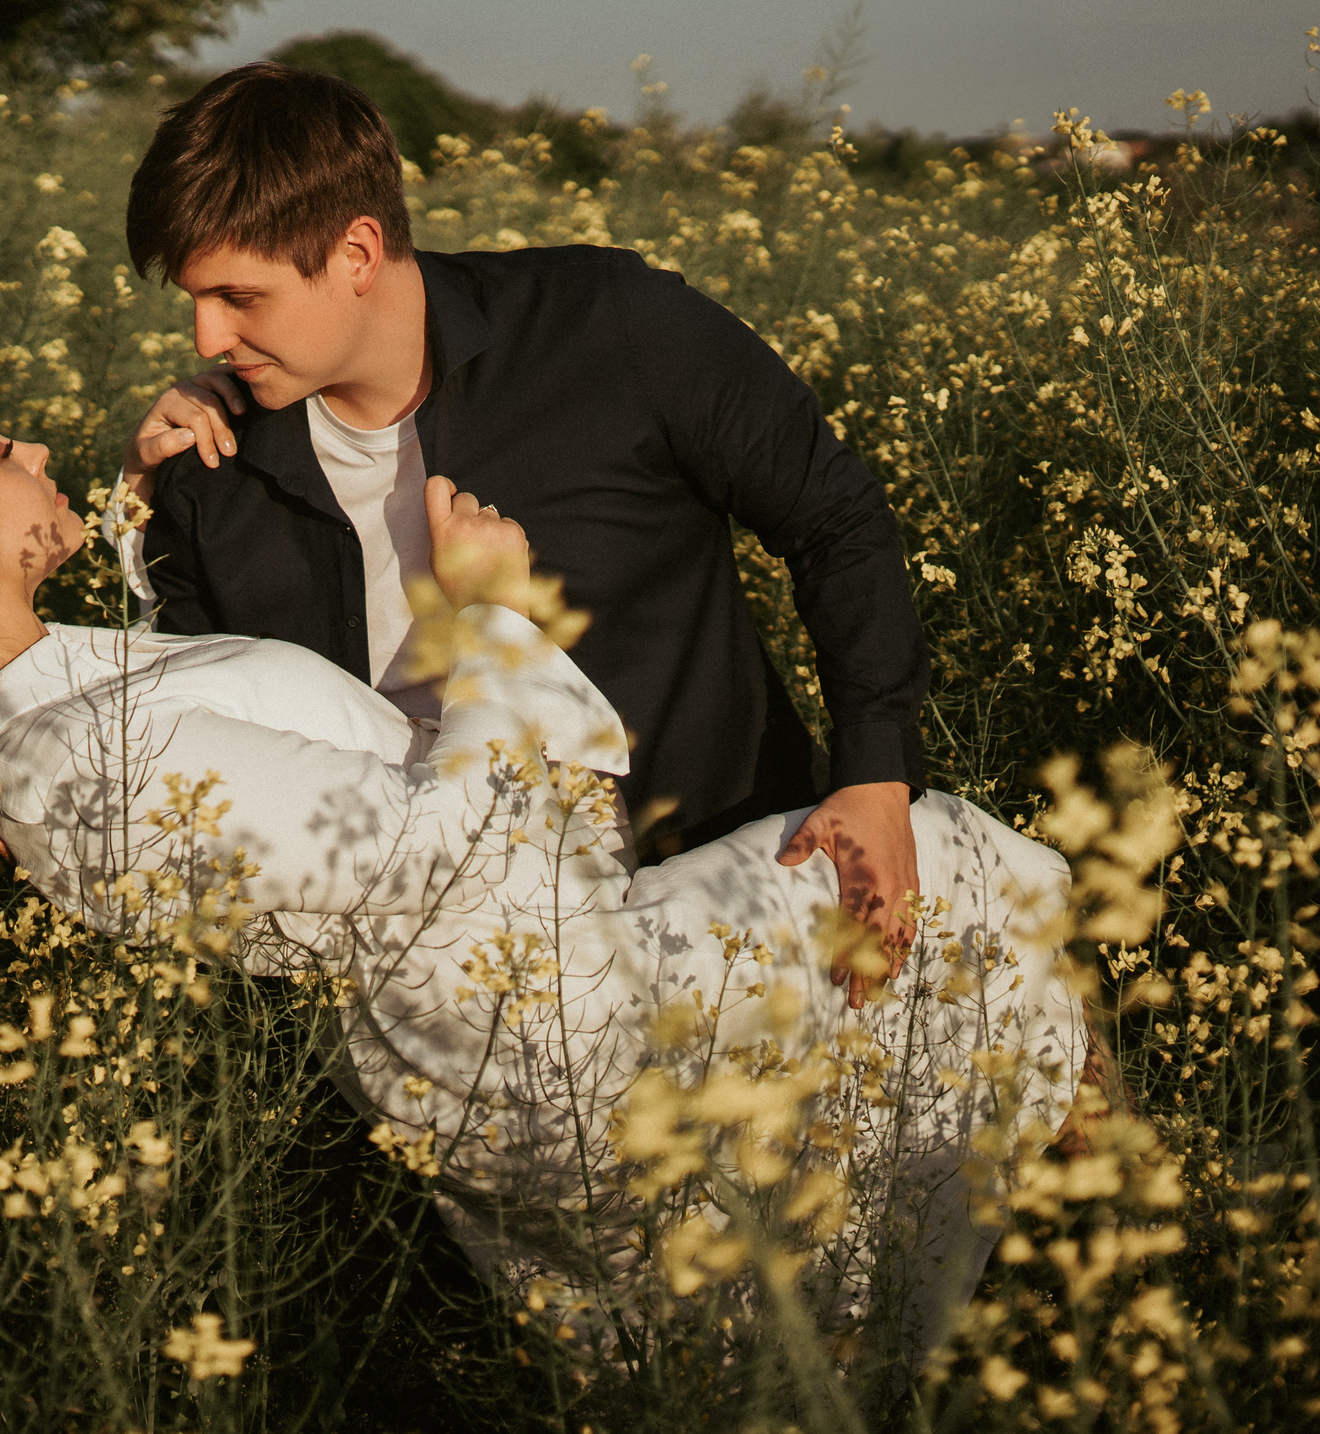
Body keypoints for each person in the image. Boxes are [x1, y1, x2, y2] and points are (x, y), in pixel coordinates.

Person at [0, 366, 1090, 1363]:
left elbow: (220, 726)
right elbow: (444, 851)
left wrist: (159, 512)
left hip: (493, 1008)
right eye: (1, 445)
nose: (34, 447)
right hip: (541, 1003)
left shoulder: (49, 712)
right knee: (961, 876)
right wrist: (488, 616)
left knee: (774, 1258)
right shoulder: (75, 770)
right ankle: (1116, 1243)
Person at [114, 63, 932, 1006]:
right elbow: (190, 747)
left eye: (239, 297)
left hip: (744, 908)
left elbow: (834, 513)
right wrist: (140, 493)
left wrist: (878, 774)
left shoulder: (613, 328)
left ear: (356, 252)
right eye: (193, 299)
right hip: (432, 1006)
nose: (207, 336)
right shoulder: (214, 479)